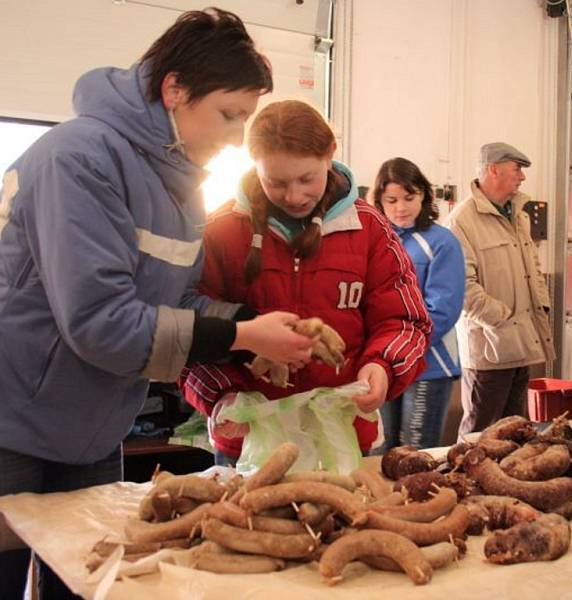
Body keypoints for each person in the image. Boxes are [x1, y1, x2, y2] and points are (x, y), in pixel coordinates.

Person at [0, 9, 322, 599]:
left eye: (245, 119)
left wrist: (253, 325)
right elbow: (99, 322)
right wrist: (244, 339)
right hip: (13, 424)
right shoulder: (80, 156)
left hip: (93, 430)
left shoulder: (179, 183)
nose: (236, 137)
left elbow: (177, 300)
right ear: (174, 89)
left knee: (92, 581)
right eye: (229, 115)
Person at [179, 101, 432, 462]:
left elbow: (406, 320)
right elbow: (188, 331)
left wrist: (383, 366)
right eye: (276, 182)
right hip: (249, 440)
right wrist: (221, 395)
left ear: (330, 155)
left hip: (343, 435)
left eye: (306, 179)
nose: (294, 196)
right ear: (254, 165)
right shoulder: (221, 230)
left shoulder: (369, 229)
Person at [446, 142, 555, 438]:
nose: (522, 177)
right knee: (479, 434)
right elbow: (462, 287)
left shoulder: (518, 215)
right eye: (517, 169)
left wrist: (540, 307)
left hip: (522, 342)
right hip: (490, 350)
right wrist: (501, 318)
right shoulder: (461, 221)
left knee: (513, 431)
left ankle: (505, 483)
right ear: (493, 169)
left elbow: (532, 265)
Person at [372, 157, 465, 450]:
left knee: (416, 453)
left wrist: (402, 349)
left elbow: (443, 310)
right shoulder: (376, 241)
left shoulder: (442, 242)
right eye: (392, 200)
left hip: (428, 364)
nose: (401, 207)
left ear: (424, 195)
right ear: (380, 201)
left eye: (409, 198)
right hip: (381, 363)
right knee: (380, 449)